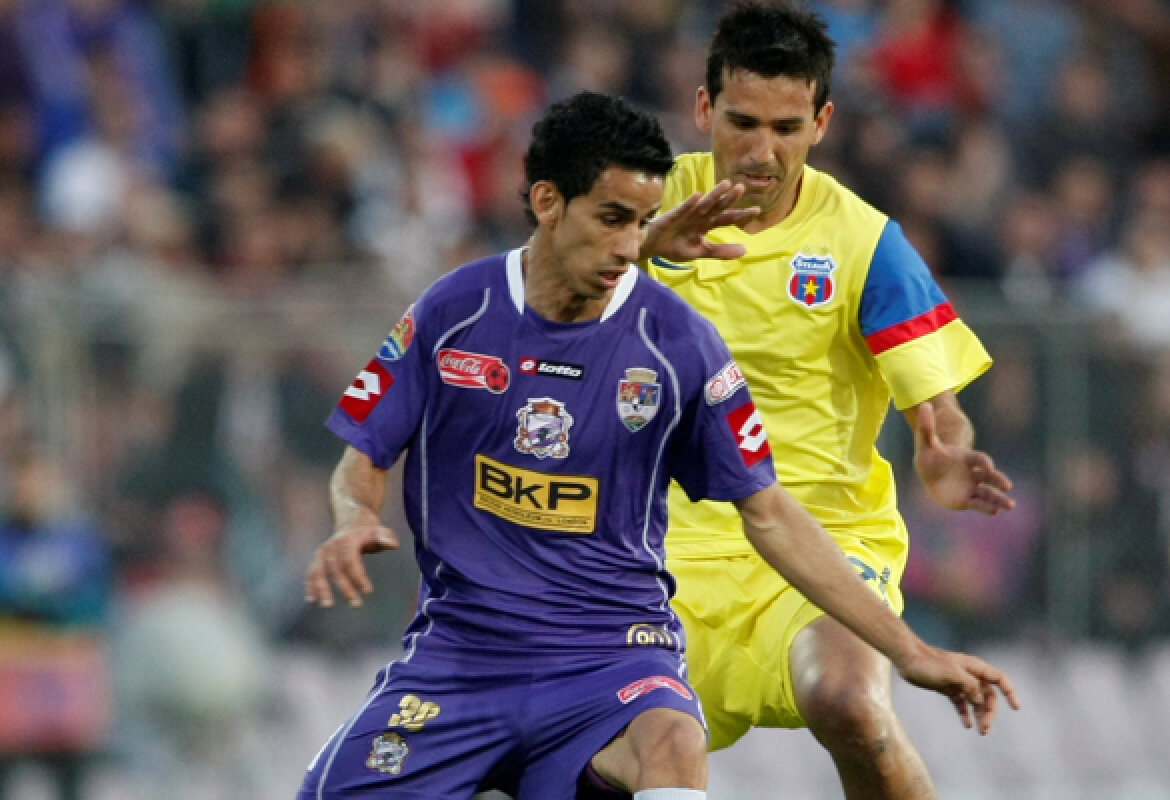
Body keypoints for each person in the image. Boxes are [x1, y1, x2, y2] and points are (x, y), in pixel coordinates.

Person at [297, 90, 1017, 800]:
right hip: (463, 656)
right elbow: (364, 454)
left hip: (611, 656)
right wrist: (354, 517)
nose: (628, 247)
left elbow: (769, 512)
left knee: (674, 738)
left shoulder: (677, 342)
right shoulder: (454, 313)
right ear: (548, 202)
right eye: (612, 219)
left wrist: (909, 651)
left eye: (641, 223)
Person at [634, 3, 1019, 799]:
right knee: (602, 756)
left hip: (822, 547)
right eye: (743, 122)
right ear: (704, 109)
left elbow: (939, 405)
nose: (762, 151)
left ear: (821, 123)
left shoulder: (866, 243)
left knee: (850, 701)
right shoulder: (643, 205)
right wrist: (638, 249)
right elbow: (533, 299)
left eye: (786, 127)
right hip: (660, 556)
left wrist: (943, 448)